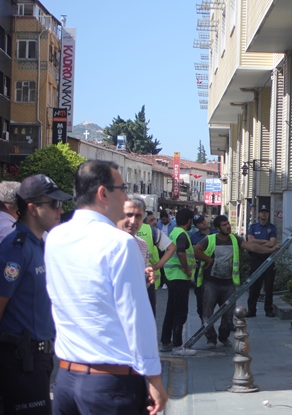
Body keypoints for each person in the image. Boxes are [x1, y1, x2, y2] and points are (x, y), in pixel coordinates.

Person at [44, 160, 168, 415]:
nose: (125, 197)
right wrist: (154, 377)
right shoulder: (120, 243)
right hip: (110, 382)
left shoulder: (56, 236)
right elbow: (136, 317)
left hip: (67, 377)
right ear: (103, 193)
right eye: (122, 189)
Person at [0, 174, 71, 415]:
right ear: (32, 208)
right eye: (53, 204)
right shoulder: (15, 248)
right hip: (20, 359)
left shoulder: (40, 245)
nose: (59, 210)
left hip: (39, 357)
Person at [194, 215, 278, 349]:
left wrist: (270, 250)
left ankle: (223, 337)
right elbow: (196, 250)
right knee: (207, 313)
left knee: (228, 315)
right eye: (224, 225)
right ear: (217, 228)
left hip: (228, 284)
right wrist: (209, 260)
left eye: (228, 223)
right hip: (211, 283)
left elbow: (252, 247)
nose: (228, 226)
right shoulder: (210, 239)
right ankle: (211, 339)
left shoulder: (235, 239)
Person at [118, 196, 176, 317]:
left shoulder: (141, 244)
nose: (133, 221)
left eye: (138, 216)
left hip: (142, 295)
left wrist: (148, 272)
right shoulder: (108, 240)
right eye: (128, 215)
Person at [160, 208, 197, 356]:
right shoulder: (182, 234)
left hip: (171, 276)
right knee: (180, 312)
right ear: (189, 220)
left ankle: (165, 342)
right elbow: (181, 252)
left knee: (171, 311)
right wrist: (187, 269)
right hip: (180, 277)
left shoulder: (174, 232)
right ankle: (177, 345)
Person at [246, 205, 277, 318]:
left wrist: (257, 243)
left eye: (266, 212)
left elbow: (272, 243)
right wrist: (265, 241)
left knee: (269, 286)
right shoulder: (253, 227)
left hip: (268, 259)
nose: (264, 214)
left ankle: (268, 309)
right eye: (262, 212)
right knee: (254, 285)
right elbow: (250, 241)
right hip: (256, 259)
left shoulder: (272, 228)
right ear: (258, 214)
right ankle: (251, 310)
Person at [189, 214, 216, 321]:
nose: (203, 222)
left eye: (203, 220)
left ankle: (227, 322)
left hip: (216, 269)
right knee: (200, 298)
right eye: (200, 222)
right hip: (200, 271)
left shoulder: (216, 233)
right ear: (197, 226)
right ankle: (203, 321)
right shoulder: (194, 237)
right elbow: (190, 253)